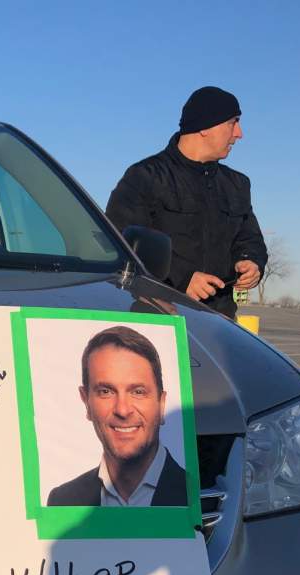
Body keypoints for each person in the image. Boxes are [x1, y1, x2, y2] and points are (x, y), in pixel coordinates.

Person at [105, 86, 267, 319]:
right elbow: (119, 242)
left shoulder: (237, 184)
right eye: (233, 122)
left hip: (219, 322)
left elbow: (249, 238)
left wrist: (250, 261)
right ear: (205, 127)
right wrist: (182, 279)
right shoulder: (146, 176)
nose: (239, 133)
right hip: (159, 317)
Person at [47, 325, 187, 507]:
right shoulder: (63, 501)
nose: (122, 410)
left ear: (161, 404)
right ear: (86, 402)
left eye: (138, 391)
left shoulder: (197, 493)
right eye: (106, 391)